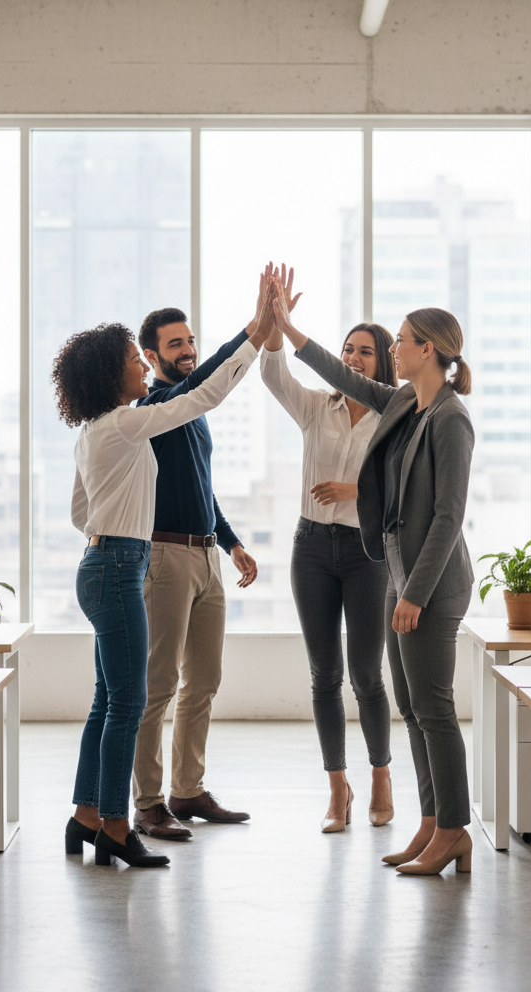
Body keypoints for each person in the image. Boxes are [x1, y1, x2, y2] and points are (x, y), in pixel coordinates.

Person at [55, 276, 274, 867]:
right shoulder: (129, 422)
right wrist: (255, 335)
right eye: (133, 358)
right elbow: (203, 395)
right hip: (125, 565)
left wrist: (111, 532)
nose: (139, 367)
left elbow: (80, 513)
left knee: (109, 700)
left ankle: (86, 815)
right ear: (119, 371)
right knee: (131, 701)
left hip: (104, 562)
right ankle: (122, 826)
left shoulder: (94, 431)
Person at [271, 272, 476, 876]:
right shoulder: (409, 401)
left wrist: (413, 593)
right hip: (398, 571)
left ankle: (455, 829)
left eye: (403, 340)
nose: (393, 349)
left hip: (430, 584)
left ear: (428, 351)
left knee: (434, 708)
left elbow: (448, 517)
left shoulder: (450, 419)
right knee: (412, 709)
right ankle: (434, 824)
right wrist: (288, 331)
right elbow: (345, 378)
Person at [129, 276, 273, 841]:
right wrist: (254, 328)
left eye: (191, 341)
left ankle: (187, 790)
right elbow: (214, 375)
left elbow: (202, 487)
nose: (187, 351)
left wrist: (231, 541)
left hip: (206, 557)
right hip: (164, 558)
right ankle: (148, 801)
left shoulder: (196, 414)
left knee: (204, 680)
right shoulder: (156, 406)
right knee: (158, 684)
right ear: (150, 355)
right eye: (175, 345)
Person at [260, 299, 398, 833]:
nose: (354, 357)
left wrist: (354, 490)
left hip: (369, 552)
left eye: (365, 352)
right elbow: (275, 374)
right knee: (324, 674)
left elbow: (406, 492)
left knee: (366, 674)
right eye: (347, 349)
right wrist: (275, 330)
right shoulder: (317, 406)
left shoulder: (396, 416)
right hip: (311, 547)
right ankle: (337, 787)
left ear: (383, 364)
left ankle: (381, 774)